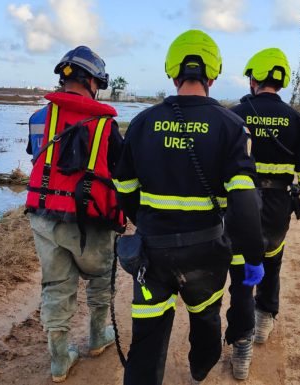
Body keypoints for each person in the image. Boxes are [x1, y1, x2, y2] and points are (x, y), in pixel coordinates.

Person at [113, 29, 265, 385]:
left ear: (172, 71)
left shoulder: (142, 123)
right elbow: (244, 201)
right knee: (206, 320)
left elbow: (123, 188)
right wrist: (254, 256)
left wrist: (147, 221)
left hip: (152, 252)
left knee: (147, 335)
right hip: (206, 252)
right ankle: (199, 371)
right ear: (213, 74)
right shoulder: (232, 126)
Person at [225, 48, 300, 379]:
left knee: (242, 272)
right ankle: (264, 321)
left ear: (253, 78)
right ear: (282, 80)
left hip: (237, 208)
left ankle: (241, 344)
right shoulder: (297, 121)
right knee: (271, 261)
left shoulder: (234, 115)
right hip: (275, 208)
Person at [25, 46, 125, 383]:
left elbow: (36, 156)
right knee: (100, 277)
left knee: (55, 284)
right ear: (95, 82)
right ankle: (98, 337)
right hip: (89, 221)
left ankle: (59, 360)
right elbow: (120, 173)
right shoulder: (106, 126)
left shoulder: (38, 118)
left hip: (42, 215)